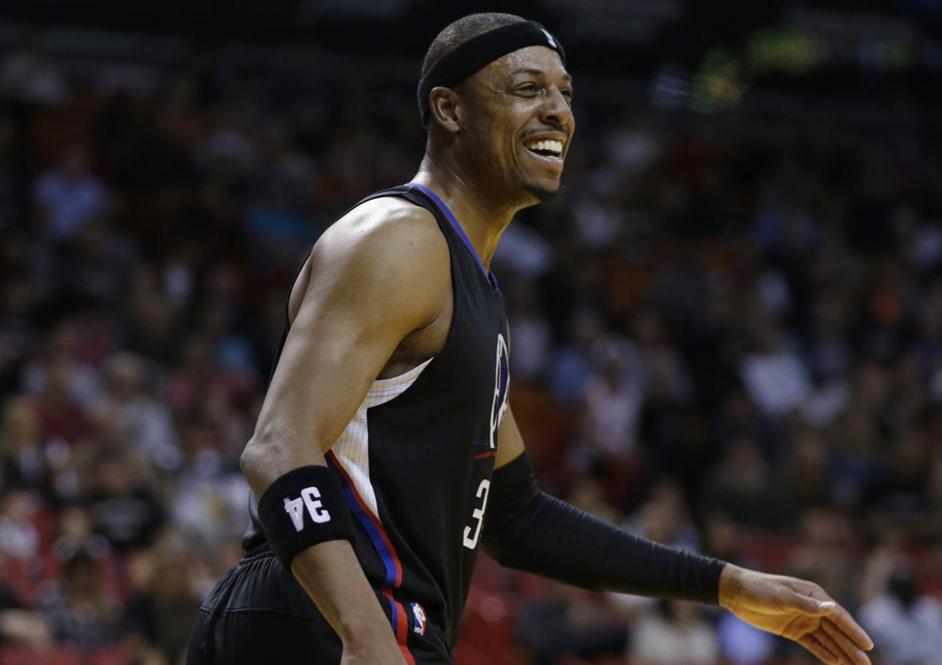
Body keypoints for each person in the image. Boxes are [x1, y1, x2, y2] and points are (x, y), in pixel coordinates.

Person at [186, 13, 874, 665]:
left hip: (372, 623)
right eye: (526, 89)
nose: (558, 111)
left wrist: (727, 584)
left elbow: (517, 517)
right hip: (329, 616)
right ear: (449, 109)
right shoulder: (399, 239)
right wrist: (364, 635)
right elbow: (278, 448)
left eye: (565, 94)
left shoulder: (474, 288)